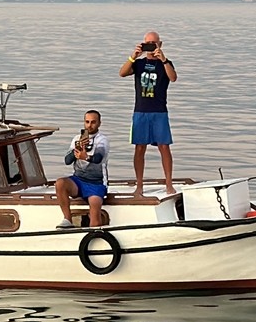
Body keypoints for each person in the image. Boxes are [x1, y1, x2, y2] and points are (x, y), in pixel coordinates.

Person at [120, 31, 177, 196]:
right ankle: (139, 185)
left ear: (160, 44)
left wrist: (163, 59)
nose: (151, 46)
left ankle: (169, 183)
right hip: (141, 111)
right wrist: (133, 56)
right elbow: (122, 73)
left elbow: (173, 78)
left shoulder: (166, 63)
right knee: (139, 148)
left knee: (164, 147)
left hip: (159, 111)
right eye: (148, 43)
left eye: (154, 43)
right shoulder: (138, 63)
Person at [55, 109, 110, 228]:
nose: (90, 125)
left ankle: (93, 237)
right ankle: (67, 219)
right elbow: (67, 161)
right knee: (60, 183)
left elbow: (98, 158)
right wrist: (78, 148)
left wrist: (86, 157)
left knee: (95, 212)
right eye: (87, 122)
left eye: (93, 122)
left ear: (99, 123)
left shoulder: (102, 140)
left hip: (96, 182)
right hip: (78, 180)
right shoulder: (76, 139)